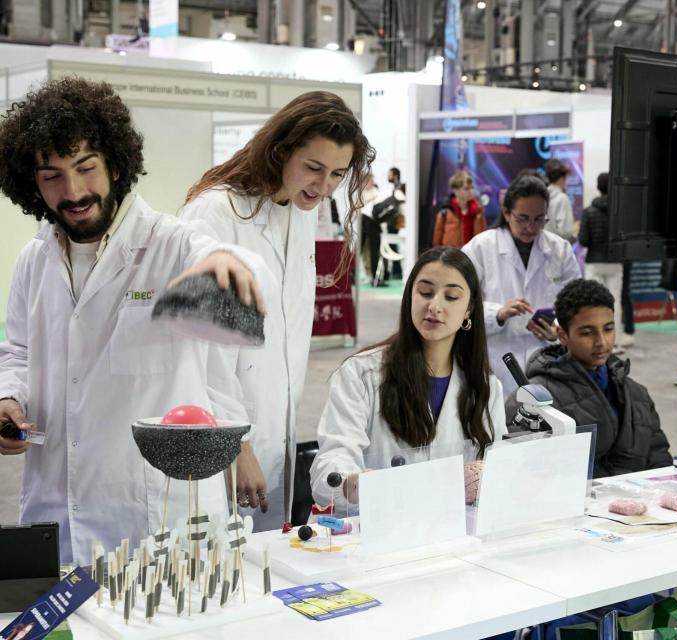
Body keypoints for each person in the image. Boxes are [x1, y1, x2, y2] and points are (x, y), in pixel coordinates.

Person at [0, 78, 270, 564]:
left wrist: (228, 264)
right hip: (57, 504)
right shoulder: (32, 261)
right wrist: (8, 399)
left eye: (86, 168)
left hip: (152, 516)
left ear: (116, 164)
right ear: (32, 183)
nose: (73, 191)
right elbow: (18, 352)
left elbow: (231, 262)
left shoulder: (172, 244)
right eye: (52, 176)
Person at [181, 90, 375, 530]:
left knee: (263, 555)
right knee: (216, 553)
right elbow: (201, 348)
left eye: (337, 174)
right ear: (280, 150)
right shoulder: (216, 213)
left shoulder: (300, 212)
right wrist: (235, 443)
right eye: (314, 167)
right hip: (223, 436)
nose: (324, 186)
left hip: (275, 430)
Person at [310, 247, 506, 508]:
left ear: (469, 309)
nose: (434, 306)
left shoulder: (485, 386)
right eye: (425, 292)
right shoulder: (362, 373)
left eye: (451, 296)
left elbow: (498, 466)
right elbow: (332, 461)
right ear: (410, 295)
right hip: (376, 522)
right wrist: (352, 484)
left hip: (456, 526)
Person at [505, 279, 671, 476]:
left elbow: (659, 458)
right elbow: (525, 474)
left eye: (608, 329)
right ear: (563, 335)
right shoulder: (529, 404)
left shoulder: (637, 395)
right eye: (587, 333)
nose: (601, 342)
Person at [462, 175, 581, 400]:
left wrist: (557, 328)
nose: (530, 227)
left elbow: (575, 305)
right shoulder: (480, 248)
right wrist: (497, 314)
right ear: (507, 213)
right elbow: (460, 304)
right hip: (494, 360)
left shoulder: (560, 250)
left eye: (539, 219)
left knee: (544, 414)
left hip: (546, 360)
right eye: (523, 218)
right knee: (497, 414)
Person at [579, 172, 631, 349]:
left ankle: (593, 341)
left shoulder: (588, 212)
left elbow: (583, 240)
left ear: (598, 187)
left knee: (593, 303)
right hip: (615, 262)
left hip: (594, 262)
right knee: (614, 303)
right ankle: (614, 343)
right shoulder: (621, 213)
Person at [433, 170, 485, 248]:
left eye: (471, 188)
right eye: (466, 189)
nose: (470, 191)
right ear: (455, 190)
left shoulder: (477, 211)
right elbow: (437, 240)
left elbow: (482, 236)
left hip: (470, 253)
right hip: (451, 254)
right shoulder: (445, 212)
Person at [543, 158, 574, 242]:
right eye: (566, 179)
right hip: (558, 246)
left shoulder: (542, 197)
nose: (566, 183)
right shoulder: (562, 198)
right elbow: (565, 232)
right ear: (561, 179)